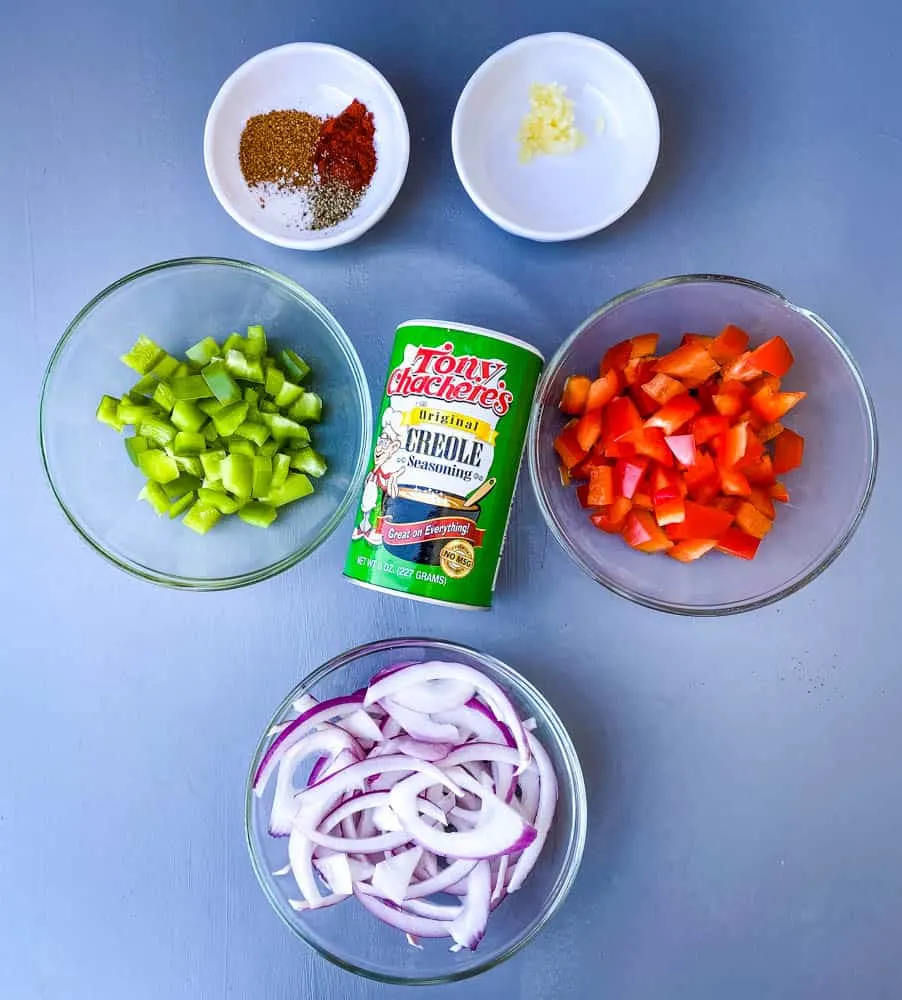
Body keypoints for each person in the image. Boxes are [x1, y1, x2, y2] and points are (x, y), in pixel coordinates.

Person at [352, 408, 408, 545]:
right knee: (366, 506)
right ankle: (363, 527)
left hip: (380, 498)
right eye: (380, 441)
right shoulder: (375, 470)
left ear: (394, 447)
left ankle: (376, 531)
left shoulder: (387, 472)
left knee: (379, 508)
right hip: (371, 490)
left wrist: (393, 478)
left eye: (385, 442)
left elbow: (392, 493)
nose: (379, 448)